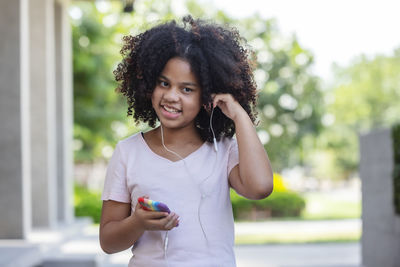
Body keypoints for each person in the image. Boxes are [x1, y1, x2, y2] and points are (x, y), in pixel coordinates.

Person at [100, 15, 273, 267]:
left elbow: (260, 188)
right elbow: (108, 242)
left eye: (187, 89)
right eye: (164, 83)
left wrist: (238, 114)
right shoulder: (128, 152)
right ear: (148, 84)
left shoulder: (222, 150)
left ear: (208, 96)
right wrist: (137, 222)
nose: (171, 96)